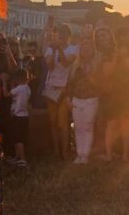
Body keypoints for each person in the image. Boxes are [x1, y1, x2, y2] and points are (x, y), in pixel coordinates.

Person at [43, 25, 78, 161]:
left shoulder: (73, 49)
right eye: (59, 33)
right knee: (52, 122)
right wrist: (52, 49)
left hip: (64, 89)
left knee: (62, 122)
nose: (62, 36)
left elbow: (65, 63)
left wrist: (59, 49)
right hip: (51, 88)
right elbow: (50, 66)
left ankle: (65, 151)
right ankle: (56, 151)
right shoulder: (50, 49)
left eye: (64, 33)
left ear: (69, 35)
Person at [70, 39, 101, 164]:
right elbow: (71, 83)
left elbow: (98, 84)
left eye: (88, 49)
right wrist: (69, 98)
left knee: (88, 127)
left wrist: (88, 73)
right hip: (77, 99)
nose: (85, 51)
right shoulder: (75, 65)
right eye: (83, 49)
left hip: (91, 99)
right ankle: (79, 154)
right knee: (78, 127)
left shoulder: (96, 65)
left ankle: (85, 155)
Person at [4, 68, 31, 167]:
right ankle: (17, 157)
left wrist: (3, 82)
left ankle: (23, 159)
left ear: (18, 79)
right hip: (25, 116)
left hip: (18, 116)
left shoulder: (19, 88)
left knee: (18, 139)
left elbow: (7, 94)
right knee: (18, 138)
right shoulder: (27, 88)